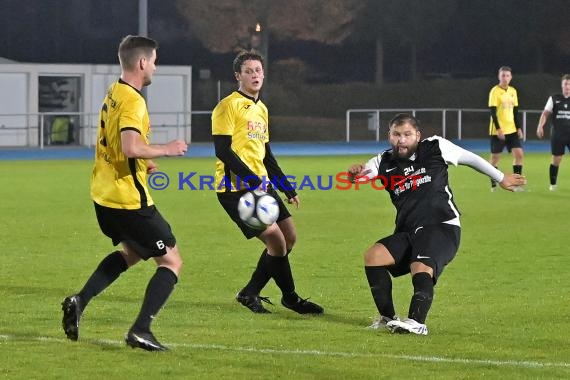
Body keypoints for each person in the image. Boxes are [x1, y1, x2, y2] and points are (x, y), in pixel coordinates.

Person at [61, 35, 188, 351]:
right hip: (128, 200)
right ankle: (141, 330)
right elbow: (131, 145)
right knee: (171, 261)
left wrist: (144, 163)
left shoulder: (115, 91)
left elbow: (118, 145)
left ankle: (79, 300)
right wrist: (166, 150)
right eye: (155, 61)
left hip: (103, 195)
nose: (155, 67)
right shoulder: (133, 100)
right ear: (143, 62)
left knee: (132, 252)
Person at [348, 113, 526, 335]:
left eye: (407, 135)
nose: (401, 140)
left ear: (417, 135)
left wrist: (501, 178)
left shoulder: (435, 146)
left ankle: (416, 322)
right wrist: (354, 174)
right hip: (409, 231)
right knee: (374, 256)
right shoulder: (383, 161)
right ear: (389, 136)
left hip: (442, 226)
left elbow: (470, 158)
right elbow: (362, 176)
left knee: (420, 266)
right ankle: (387, 318)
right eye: (396, 135)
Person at [211, 50, 323, 315]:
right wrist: (251, 180)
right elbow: (223, 151)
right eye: (248, 71)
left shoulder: (261, 109)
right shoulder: (227, 106)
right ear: (238, 75)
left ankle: (250, 292)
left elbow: (266, 154)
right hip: (236, 190)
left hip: (262, 186)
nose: (254, 75)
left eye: (258, 70)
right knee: (276, 241)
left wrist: (286, 187)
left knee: (289, 237)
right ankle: (291, 298)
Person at [488, 66, 524, 191]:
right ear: (499, 76)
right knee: (494, 159)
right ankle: (494, 182)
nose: (505, 78)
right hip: (498, 131)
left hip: (512, 130)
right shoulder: (494, 91)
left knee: (519, 155)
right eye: (503, 75)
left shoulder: (513, 91)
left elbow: (515, 111)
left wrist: (519, 128)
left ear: (511, 77)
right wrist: (498, 129)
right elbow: (493, 112)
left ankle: (516, 184)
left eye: (507, 75)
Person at [536, 74, 570, 191]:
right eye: (566, 84)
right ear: (562, 85)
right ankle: (553, 184)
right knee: (556, 160)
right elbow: (545, 113)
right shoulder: (554, 98)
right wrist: (540, 125)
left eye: (569, 84)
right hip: (558, 134)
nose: (568, 86)